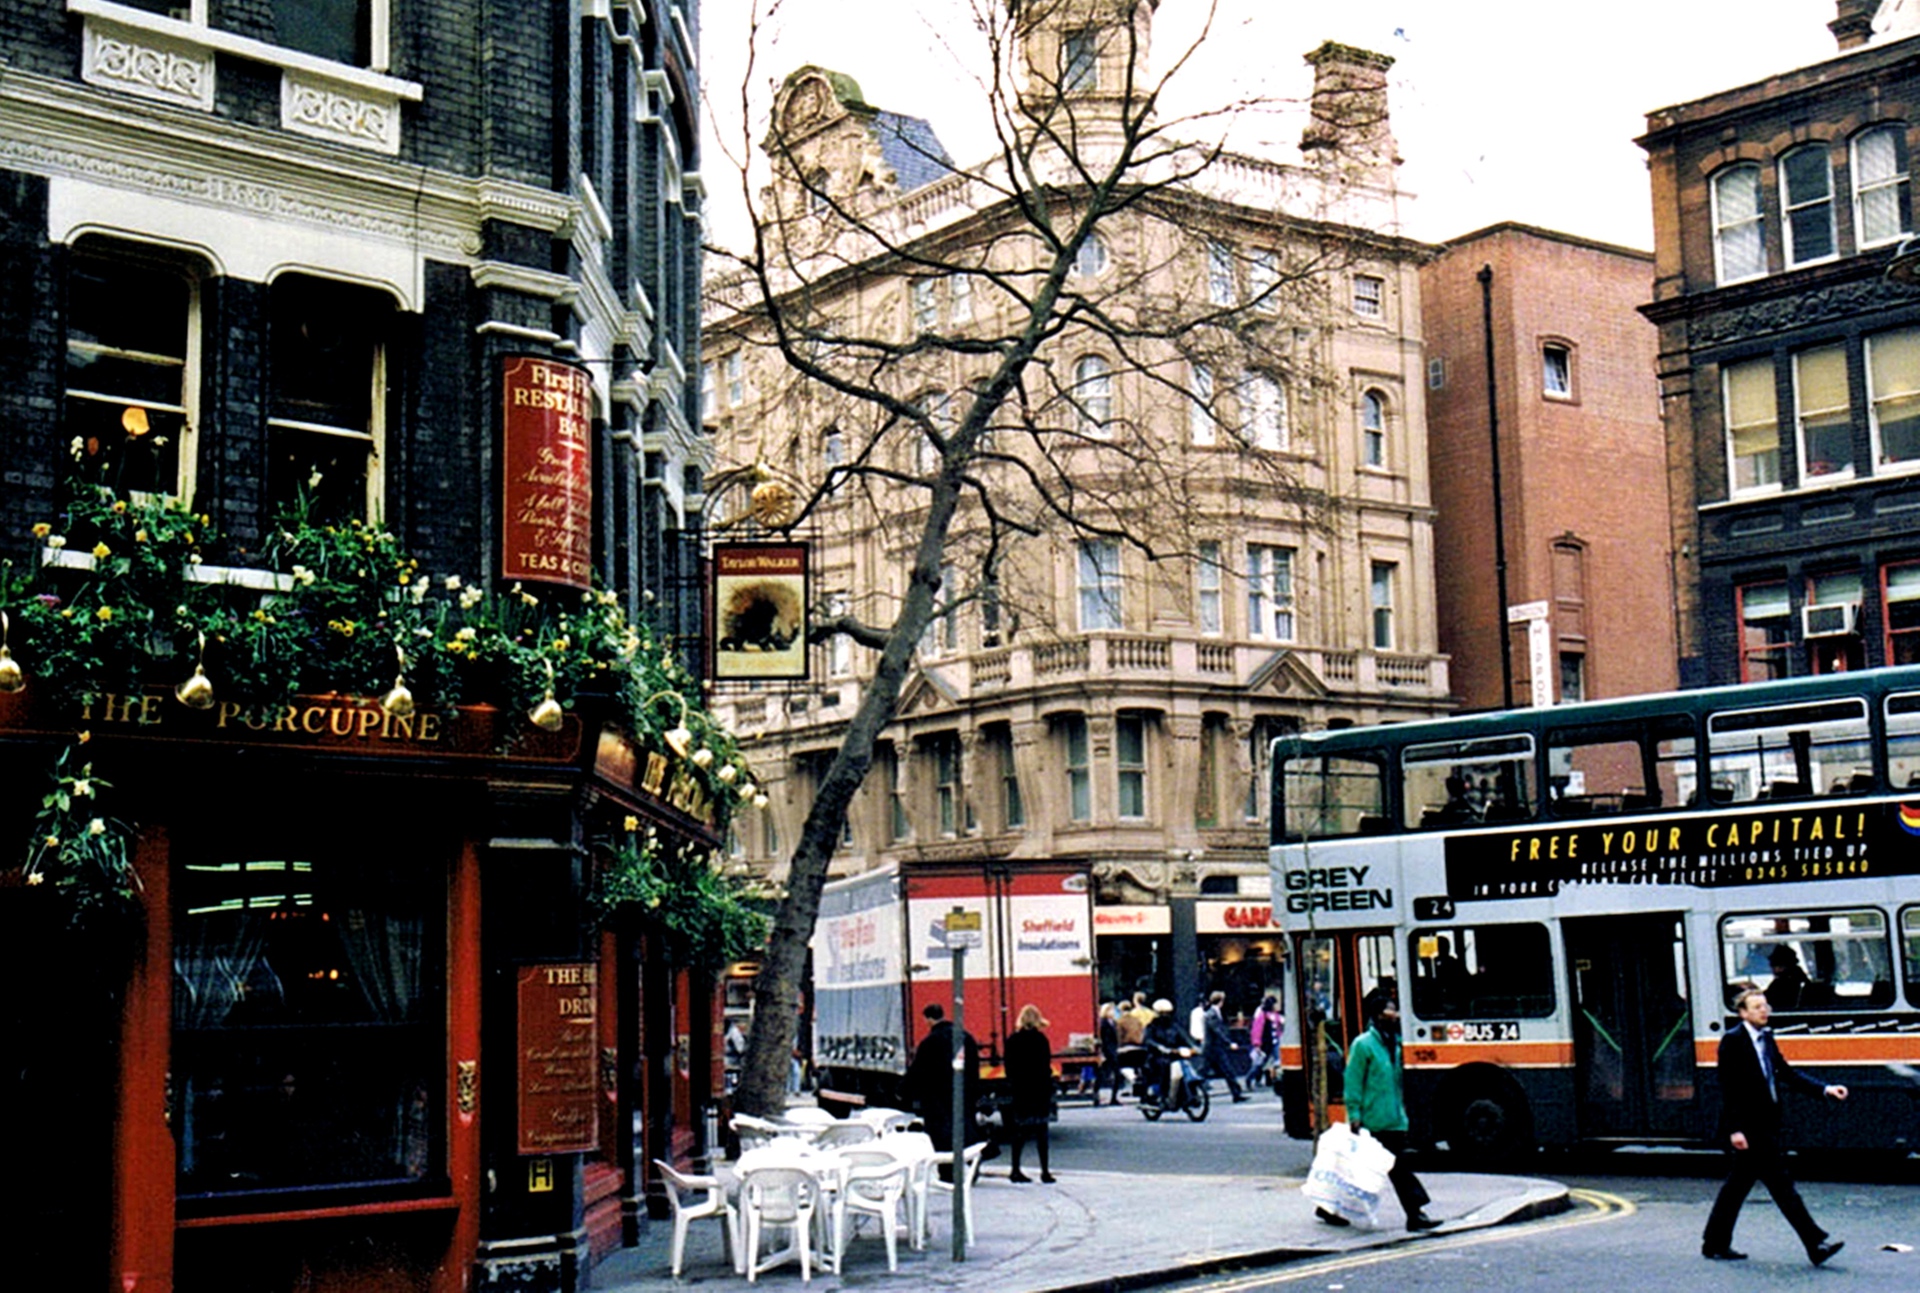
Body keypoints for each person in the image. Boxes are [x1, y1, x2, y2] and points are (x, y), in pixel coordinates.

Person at [1701, 987, 1848, 1265]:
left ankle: (1714, 1242)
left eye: (1765, 1005)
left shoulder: (1767, 1038)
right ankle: (1815, 1243)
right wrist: (1735, 1130)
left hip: (1767, 1123)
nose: (1764, 1010)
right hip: (1749, 1128)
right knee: (1781, 1186)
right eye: (1756, 1007)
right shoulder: (1732, 1042)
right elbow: (1729, 1089)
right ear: (1742, 1013)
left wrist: (1825, 1089)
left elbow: (1786, 1073)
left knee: (1737, 1186)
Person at [1320, 988, 1438, 1232]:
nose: (1394, 1014)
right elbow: (1352, 1082)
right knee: (1396, 1166)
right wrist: (1354, 1114)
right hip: (1372, 1120)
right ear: (1377, 1014)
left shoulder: (1393, 1044)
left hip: (1393, 1119)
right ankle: (1415, 1214)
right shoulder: (1363, 1045)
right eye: (1390, 1009)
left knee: (1368, 1169)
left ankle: (1328, 1208)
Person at [904, 1002, 980, 1172]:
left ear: (929, 1019)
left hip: (937, 1100)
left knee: (942, 1138)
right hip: (963, 1095)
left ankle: (947, 1173)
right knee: (965, 1131)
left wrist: (903, 1092)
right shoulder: (966, 1037)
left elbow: (918, 1071)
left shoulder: (929, 1042)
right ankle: (971, 1167)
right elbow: (974, 1067)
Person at [1003, 1004, 1056, 1183]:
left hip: (1021, 1090)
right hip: (1039, 1090)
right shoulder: (1041, 1040)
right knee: (1042, 1132)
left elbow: (1009, 1066)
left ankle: (1015, 1169)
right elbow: (1045, 1065)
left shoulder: (1012, 1040)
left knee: (1019, 1132)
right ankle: (1045, 1171)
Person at [1141, 998, 1194, 1108]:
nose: (1165, 1015)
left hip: (1174, 1055)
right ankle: (1163, 1095)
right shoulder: (1152, 1026)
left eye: (1167, 1013)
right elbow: (1148, 1040)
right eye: (1162, 1013)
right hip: (1157, 1056)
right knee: (1164, 1067)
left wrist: (1193, 1047)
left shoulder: (1174, 1026)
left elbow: (1183, 1037)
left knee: (1184, 1065)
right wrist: (1160, 1047)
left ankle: (1186, 1093)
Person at [1201, 990, 1248, 1103]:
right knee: (1205, 1072)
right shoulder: (1211, 1014)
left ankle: (1236, 1094)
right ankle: (1192, 1091)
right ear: (1221, 1001)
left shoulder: (1215, 1012)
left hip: (1216, 1048)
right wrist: (1229, 1042)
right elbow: (1217, 1031)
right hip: (1212, 1049)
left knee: (1227, 1071)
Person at [1248, 994, 1284, 1094]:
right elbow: (1257, 1030)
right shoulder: (1262, 1015)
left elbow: (1278, 1029)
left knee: (1278, 1061)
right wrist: (1257, 1043)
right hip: (1265, 1044)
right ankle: (1249, 1078)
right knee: (1259, 1064)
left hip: (1275, 1043)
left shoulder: (1276, 1015)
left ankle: (1278, 1081)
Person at [1765, 945, 1811, 1010]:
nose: (1773, 969)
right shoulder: (1800, 978)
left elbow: (1768, 999)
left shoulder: (1782, 983)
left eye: (1774, 965)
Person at [1096, 1001, 1124, 1106]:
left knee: (1116, 1074)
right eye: (1111, 1010)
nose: (1113, 1012)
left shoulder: (1114, 1023)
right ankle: (1097, 1096)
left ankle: (1113, 1097)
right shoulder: (1103, 1023)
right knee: (1102, 1075)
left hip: (1113, 1052)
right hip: (1106, 1052)